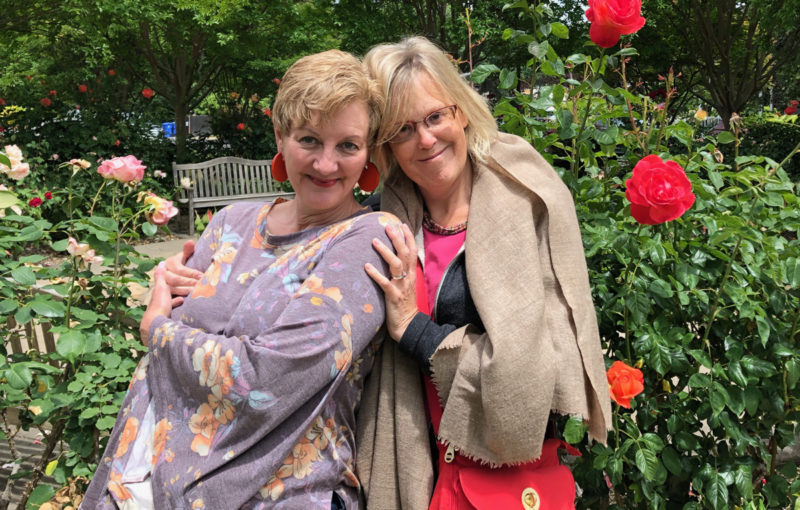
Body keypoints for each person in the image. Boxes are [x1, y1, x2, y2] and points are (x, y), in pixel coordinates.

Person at [81, 49, 402, 510]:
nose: (326, 164)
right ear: (280, 135)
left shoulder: (365, 239)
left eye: (347, 146)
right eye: (309, 140)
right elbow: (159, 365)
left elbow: (270, 377)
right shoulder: (230, 223)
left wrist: (158, 332)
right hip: (151, 483)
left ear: (368, 151)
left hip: (282, 493)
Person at [355, 37, 613, 509]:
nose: (426, 139)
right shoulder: (381, 221)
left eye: (435, 116)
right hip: (414, 471)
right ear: (386, 145)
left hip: (501, 482)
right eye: (403, 130)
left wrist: (415, 331)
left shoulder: (526, 201)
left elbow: (532, 373)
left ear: (462, 111)